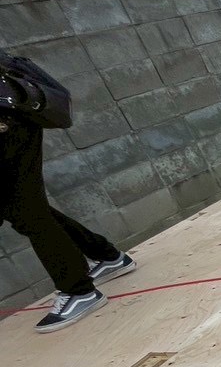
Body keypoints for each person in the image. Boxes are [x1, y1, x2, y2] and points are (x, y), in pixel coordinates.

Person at [1, 51, 135, 333]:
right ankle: (106, 256)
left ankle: (79, 291)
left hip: (8, 121)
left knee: (28, 212)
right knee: (22, 209)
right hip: (11, 115)